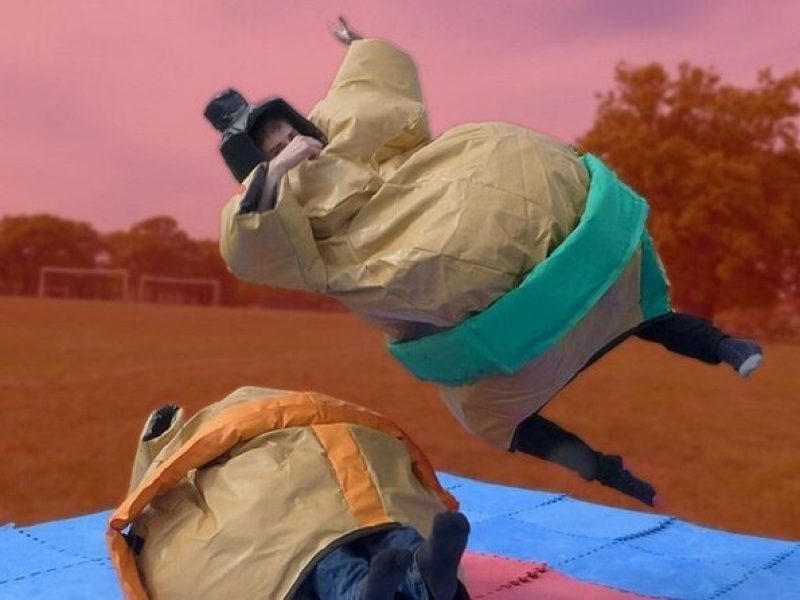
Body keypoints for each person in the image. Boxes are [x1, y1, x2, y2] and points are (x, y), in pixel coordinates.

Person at [205, 17, 763, 507]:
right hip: (393, 247)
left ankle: (725, 347)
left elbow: (368, 80)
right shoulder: (285, 206)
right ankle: (608, 470)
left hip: (448, 181)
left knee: (620, 298)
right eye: (274, 147)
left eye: (286, 131)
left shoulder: (341, 125)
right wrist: (278, 177)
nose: (290, 143)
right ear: (259, 165)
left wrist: (358, 44)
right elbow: (254, 242)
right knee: (495, 412)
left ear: (296, 121)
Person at [107, 386, 471, 600]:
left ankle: (365, 589)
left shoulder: (181, 458)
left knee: (312, 547)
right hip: (340, 461)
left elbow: (147, 495)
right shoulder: (246, 409)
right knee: (377, 518)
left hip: (288, 504)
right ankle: (424, 570)